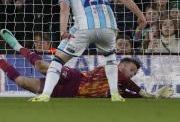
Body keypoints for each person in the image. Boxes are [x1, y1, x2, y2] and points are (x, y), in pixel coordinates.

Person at [9, 0, 146, 102]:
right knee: (110, 59)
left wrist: (63, 30)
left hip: (85, 28)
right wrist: (141, 17)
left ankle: (45, 95)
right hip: (108, 27)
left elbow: (64, 8)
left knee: (57, 62)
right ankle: (115, 95)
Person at [0, 29, 173, 99]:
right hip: (75, 78)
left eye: (134, 73)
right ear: (120, 65)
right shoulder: (111, 69)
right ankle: (18, 46)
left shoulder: (117, 90)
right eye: (132, 69)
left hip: (69, 93)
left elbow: (131, 95)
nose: (132, 74)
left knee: (22, 82)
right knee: (42, 66)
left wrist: (153, 96)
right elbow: (126, 81)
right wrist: (143, 92)